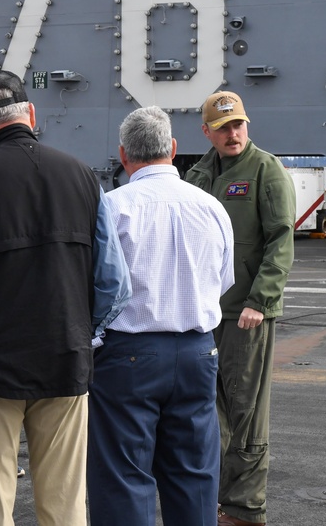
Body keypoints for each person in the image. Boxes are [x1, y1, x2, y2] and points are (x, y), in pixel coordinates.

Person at [0, 70, 131, 526]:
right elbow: (114, 283)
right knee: (65, 502)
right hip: (65, 355)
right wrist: (81, 331)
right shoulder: (84, 178)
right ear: (32, 114)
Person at [87, 106, 235, 526]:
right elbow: (222, 281)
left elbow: (94, 286)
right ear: (173, 149)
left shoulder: (112, 208)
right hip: (197, 352)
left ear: (123, 154)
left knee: (122, 477)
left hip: (128, 352)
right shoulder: (211, 208)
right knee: (194, 475)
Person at [185, 91, 296, 526]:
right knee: (208, 412)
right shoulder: (196, 174)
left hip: (245, 314)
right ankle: (215, 499)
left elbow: (281, 240)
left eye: (239, 125)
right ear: (207, 132)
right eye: (223, 127)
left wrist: (260, 301)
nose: (233, 134)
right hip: (204, 312)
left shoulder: (265, 170)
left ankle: (245, 508)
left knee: (245, 410)